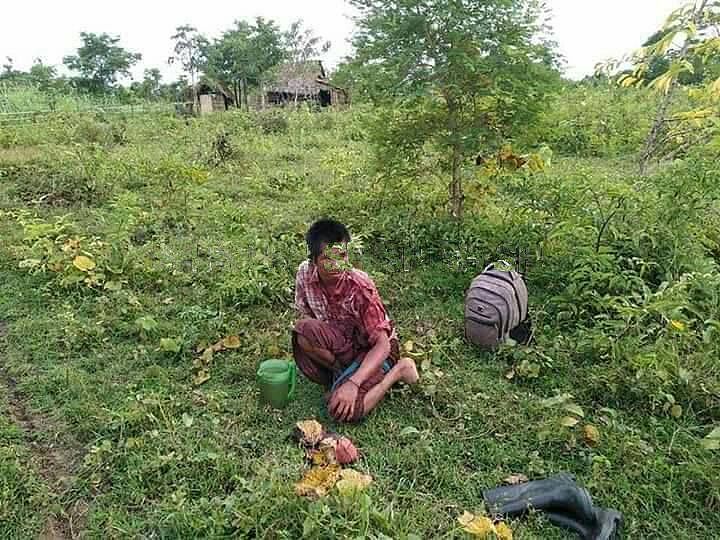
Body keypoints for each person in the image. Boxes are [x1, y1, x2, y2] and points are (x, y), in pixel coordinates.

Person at [292, 219, 419, 423]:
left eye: (341, 256)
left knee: (344, 412)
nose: (336, 265)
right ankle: (341, 375)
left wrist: (353, 383)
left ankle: (398, 371)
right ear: (313, 260)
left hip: (374, 350)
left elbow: (382, 344)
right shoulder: (304, 274)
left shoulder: (360, 286)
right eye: (327, 258)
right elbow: (307, 315)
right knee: (303, 332)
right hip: (343, 342)